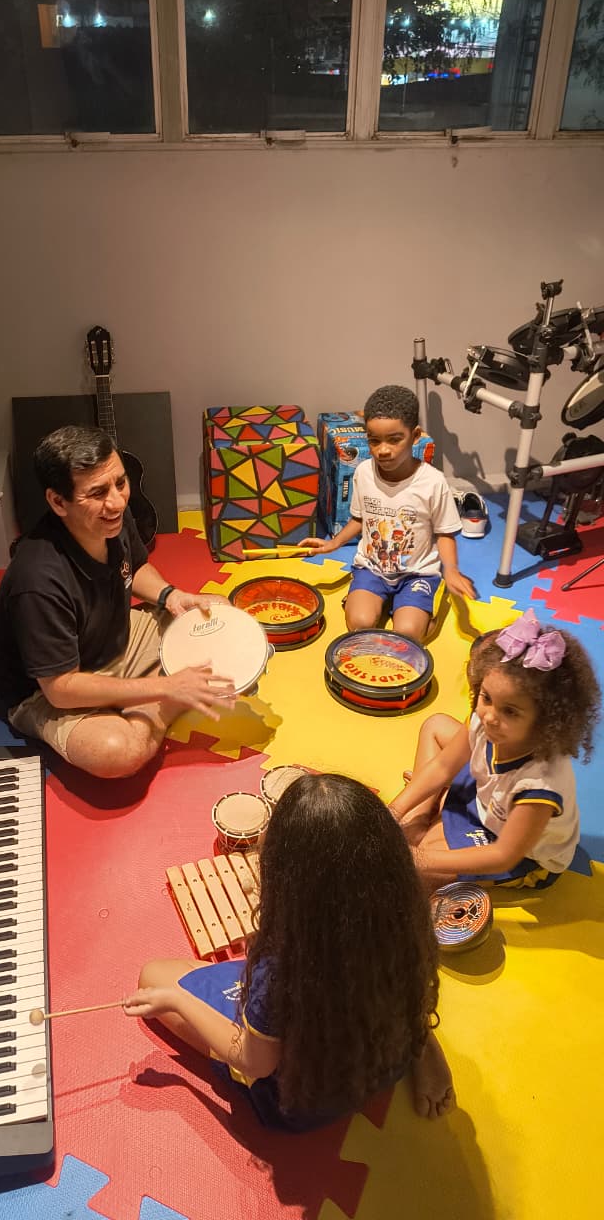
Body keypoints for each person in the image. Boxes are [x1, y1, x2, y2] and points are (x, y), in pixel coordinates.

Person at [122, 773, 455, 1127]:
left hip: (302, 1098)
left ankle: (418, 1046)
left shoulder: (284, 971)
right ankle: (421, 1045)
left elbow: (254, 1061)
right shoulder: (407, 915)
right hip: (382, 1053)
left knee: (155, 976)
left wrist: (177, 1002)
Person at [0, 426, 235, 779]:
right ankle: (163, 696)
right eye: (98, 492)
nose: (117, 501)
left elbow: (135, 567)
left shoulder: (112, 517)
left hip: (114, 636)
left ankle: (138, 694)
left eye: (120, 483)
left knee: (219, 612)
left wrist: (172, 596)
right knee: (117, 753)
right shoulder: (37, 580)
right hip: (52, 687)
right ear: (58, 501)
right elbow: (60, 689)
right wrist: (165, 687)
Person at [389, 609, 601, 889]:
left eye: (510, 711)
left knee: (416, 876)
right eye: (485, 697)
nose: (488, 716)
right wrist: (393, 812)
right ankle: (420, 820)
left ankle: (427, 828)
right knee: (437, 725)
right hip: (484, 798)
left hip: (515, 850)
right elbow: (443, 766)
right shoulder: (487, 721)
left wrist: (420, 859)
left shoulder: (539, 787)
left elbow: (502, 856)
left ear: (546, 721)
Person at [302, 385, 475, 641]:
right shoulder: (362, 472)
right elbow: (360, 518)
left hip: (417, 573)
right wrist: (333, 544)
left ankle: (425, 609)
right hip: (372, 568)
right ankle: (370, 601)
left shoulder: (433, 482)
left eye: (395, 439)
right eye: (374, 440)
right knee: (359, 624)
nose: (383, 449)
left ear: (415, 436)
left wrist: (450, 570)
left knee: (407, 634)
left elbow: (445, 533)